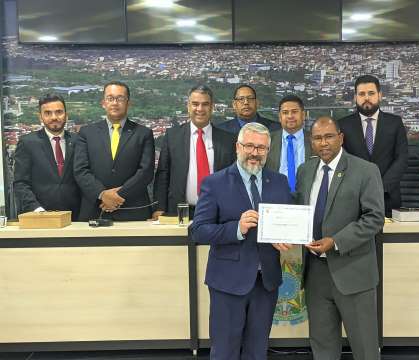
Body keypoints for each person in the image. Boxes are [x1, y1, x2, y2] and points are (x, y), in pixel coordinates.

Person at [190, 122, 293, 360]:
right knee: (225, 351)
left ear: (268, 150)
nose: (255, 153)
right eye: (249, 146)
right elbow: (199, 231)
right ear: (238, 147)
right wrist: (236, 228)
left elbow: (286, 222)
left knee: (257, 351)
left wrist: (285, 237)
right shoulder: (214, 183)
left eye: (261, 148)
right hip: (228, 282)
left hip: (266, 282)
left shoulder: (278, 182)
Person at [296, 117, 385, 360]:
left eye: (329, 136)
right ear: (311, 141)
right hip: (316, 273)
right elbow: (299, 212)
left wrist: (335, 241)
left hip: (353, 271)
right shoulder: (305, 171)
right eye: (317, 138)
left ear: (341, 138)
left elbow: (374, 218)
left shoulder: (365, 170)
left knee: (365, 348)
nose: (323, 143)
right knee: (323, 347)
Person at [74, 81, 155, 221]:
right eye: (110, 98)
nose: (115, 103)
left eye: (120, 98)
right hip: (95, 208)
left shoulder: (144, 133)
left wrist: (117, 197)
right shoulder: (86, 133)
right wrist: (102, 194)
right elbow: (81, 170)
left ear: (129, 103)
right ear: (103, 103)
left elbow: (145, 172)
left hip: (133, 209)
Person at [152, 85, 236, 218]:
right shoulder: (173, 136)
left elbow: (234, 179)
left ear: (212, 107)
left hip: (218, 213)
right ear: (188, 106)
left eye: (205, 104)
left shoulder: (228, 139)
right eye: (195, 104)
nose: (200, 109)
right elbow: (163, 174)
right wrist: (159, 207)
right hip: (179, 213)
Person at [338, 74, 408, 217]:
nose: (366, 98)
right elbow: (342, 160)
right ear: (355, 97)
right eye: (362, 94)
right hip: (353, 199)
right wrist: (361, 189)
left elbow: (402, 158)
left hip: (387, 197)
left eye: (371, 93)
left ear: (380, 95)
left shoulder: (395, 123)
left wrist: (380, 188)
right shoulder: (343, 125)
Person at [13, 94, 80, 218]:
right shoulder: (27, 143)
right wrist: (37, 210)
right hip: (38, 217)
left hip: (76, 217)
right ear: (40, 117)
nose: (54, 117)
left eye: (59, 112)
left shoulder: (78, 141)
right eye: (48, 113)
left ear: (66, 115)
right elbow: (20, 183)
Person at [265, 94, 311, 192]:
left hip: (307, 196)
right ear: (280, 117)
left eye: (294, 112)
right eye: (285, 113)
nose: (290, 116)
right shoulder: (267, 140)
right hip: (275, 196)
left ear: (303, 115)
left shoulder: (315, 140)